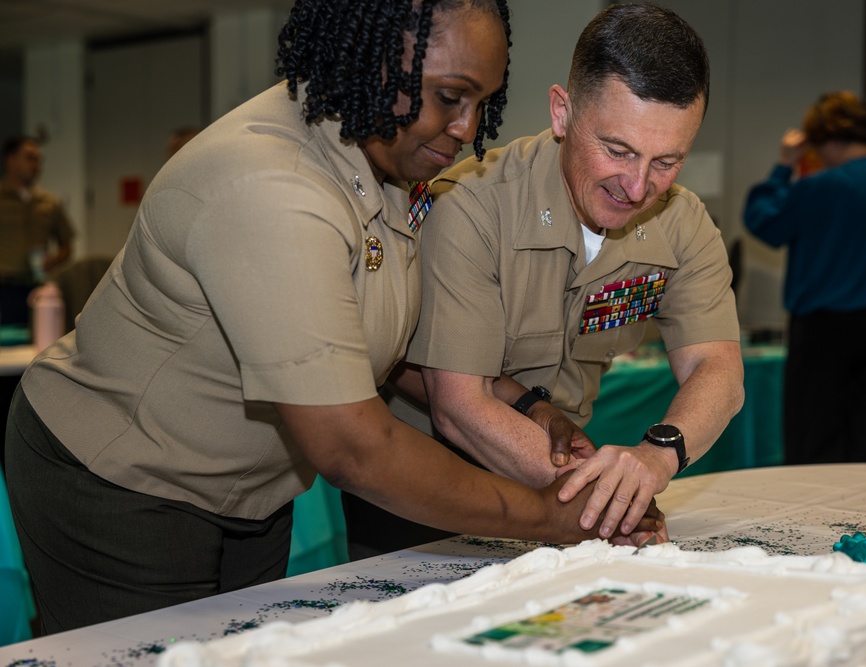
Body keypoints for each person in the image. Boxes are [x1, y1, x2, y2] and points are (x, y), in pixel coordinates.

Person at [4, 0, 663, 636]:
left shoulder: (384, 154)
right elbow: (354, 445)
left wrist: (528, 406)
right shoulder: (273, 185)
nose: (466, 127)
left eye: (483, 101)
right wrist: (549, 516)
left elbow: (375, 341)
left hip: (249, 488)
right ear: (374, 60)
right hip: (118, 479)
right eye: (450, 97)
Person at [342, 2, 744, 559]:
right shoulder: (471, 206)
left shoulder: (684, 222)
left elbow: (717, 367)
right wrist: (607, 496)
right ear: (562, 113)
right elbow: (462, 404)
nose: (636, 186)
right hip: (431, 480)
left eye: (666, 161)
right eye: (617, 151)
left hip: (561, 473)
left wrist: (657, 455)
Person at [743, 91, 866, 465]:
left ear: (829, 140)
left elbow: (764, 221)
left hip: (828, 331)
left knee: (815, 441)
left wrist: (783, 165)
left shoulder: (824, 186)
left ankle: (814, 522)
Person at [0, 136, 75, 326]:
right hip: (5, 288)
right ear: (11, 160)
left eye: (39, 159)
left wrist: (55, 259)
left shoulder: (50, 202)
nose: (36, 165)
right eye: (30, 157)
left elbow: (67, 246)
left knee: (43, 342)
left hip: (41, 288)